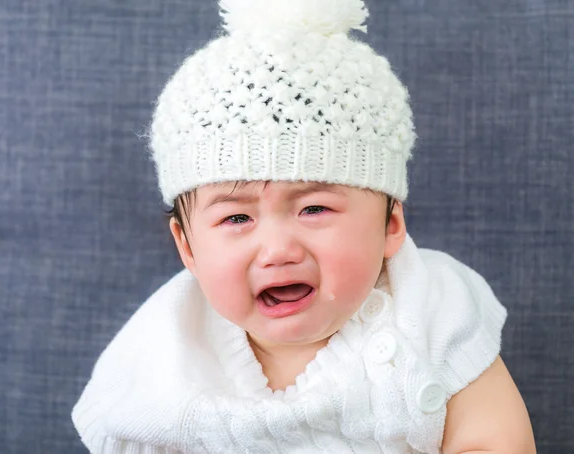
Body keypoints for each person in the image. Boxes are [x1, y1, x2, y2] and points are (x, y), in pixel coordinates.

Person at [72, 0, 536, 452]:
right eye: (236, 218)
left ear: (391, 225)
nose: (277, 249)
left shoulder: (432, 309)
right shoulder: (166, 351)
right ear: (187, 248)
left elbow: (497, 440)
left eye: (314, 209)